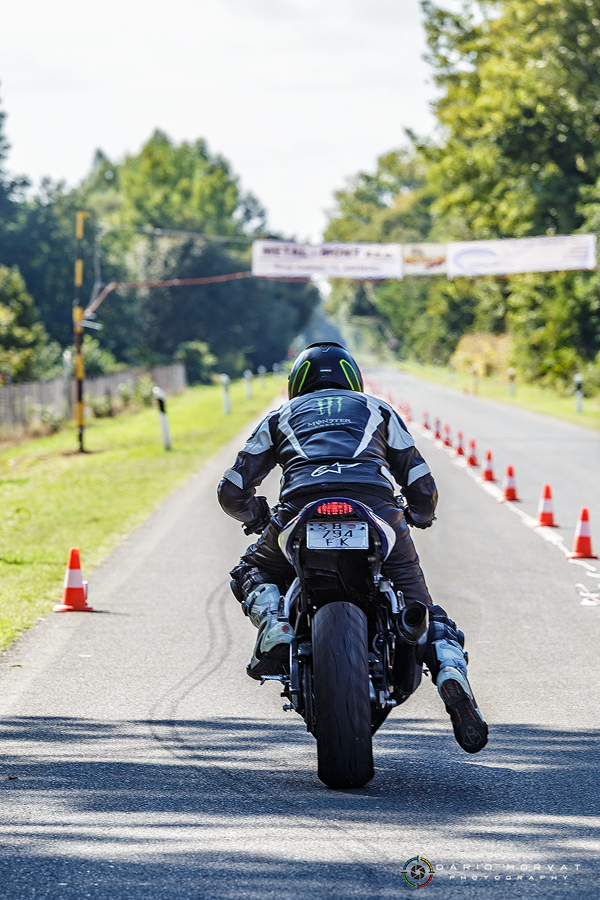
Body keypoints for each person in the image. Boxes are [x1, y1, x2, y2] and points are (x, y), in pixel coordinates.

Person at [217, 343, 488, 754]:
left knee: (249, 573)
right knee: (422, 608)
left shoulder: (279, 417)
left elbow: (231, 490)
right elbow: (420, 480)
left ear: (297, 383)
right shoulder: (379, 410)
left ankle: (275, 621)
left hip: (299, 511)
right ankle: (450, 669)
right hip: (377, 513)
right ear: (352, 378)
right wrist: (418, 514)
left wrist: (256, 516)